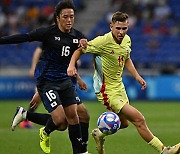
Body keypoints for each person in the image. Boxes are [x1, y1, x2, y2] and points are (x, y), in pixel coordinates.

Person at [67, 11, 180, 154]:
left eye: (124, 28)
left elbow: (126, 58)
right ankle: (164, 150)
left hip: (119, 87)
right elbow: (79, 50)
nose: (121, 32)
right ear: (111, 26)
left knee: (124, 123)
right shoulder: (102, 41)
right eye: (118, 28)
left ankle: (99, 134)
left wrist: (137, 76)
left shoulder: (127, 40)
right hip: (106, 90)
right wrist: (71, 65)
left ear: (128, 27)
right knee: (139, 119)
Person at [0, 1, 90, 154]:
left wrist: (79, 76)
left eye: (72, 17)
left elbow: (71, 62)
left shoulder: (78, 37)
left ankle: (80, 152)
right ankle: (42, 129)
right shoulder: (48, 33)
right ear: (57, 18)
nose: (69, 20)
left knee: (72, 119)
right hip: (47, 82)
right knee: (60, 121)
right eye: (65, 17)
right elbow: (24, 37)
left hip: (65, 82)